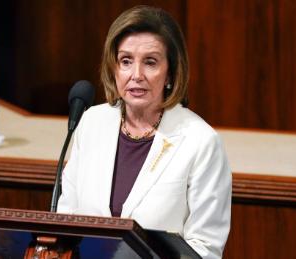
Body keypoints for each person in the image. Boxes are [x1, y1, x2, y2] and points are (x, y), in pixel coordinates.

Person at [58, 5, 232, 258]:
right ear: (114, 68)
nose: (136, 75)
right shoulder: (91, 123)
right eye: (126, 61)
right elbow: (66, 221)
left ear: (171, 72)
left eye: (150, 62)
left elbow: (205, 249)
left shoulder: (201, 141)